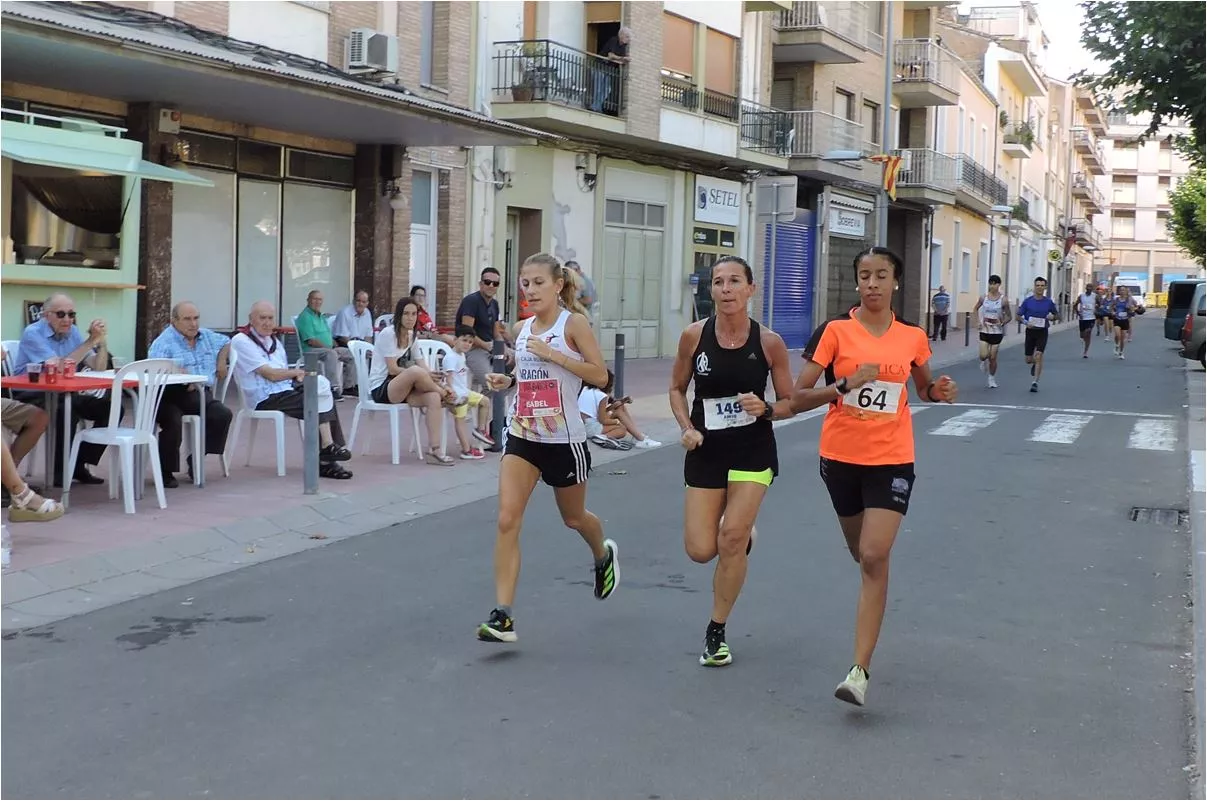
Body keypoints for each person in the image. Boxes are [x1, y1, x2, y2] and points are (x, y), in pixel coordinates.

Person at [791, 246, 957, 706]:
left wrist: (938, 392)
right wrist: (843, 384)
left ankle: (858, 670)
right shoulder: (835, 333)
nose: (872, 284)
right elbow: (797, 395)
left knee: (874, 553)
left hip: (892, 457)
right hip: (840, 458)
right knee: (861, 554)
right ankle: (872, 583)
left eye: (881, 275)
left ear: (895, 281)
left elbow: (922, 387)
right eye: (865, 276)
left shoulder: (911, 337)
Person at [476, 253, 617, 644]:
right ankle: (503, 615)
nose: (531, 290)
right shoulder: (522, 328)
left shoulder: (574, 324)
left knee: (573, 519)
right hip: (524, 434)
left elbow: (601, 375)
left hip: (563, 440)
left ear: (557, 285)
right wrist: (508, 382)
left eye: (538, 282)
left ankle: (602, 552)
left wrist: (553, 353)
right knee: (507, 520)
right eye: (525, 283)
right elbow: (528, 373)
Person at [669, 255, 796, 667]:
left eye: (735, 281)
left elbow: (790, 402)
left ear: (750, 290)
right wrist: (686, 426)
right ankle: (741, 536)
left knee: (730, 540)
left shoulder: (769, 342)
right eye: (719, 282)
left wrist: (767, 408)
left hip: (751, 451)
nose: (726, 289)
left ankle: (716, 631)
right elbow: (675, 387)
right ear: (711, 291)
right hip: (706, 449)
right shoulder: (693, 336)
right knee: (701, 550)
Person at [231, 301, 353, 480]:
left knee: (321, 387)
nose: (267, 322)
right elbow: (270, 374)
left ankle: (327, 450)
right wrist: (295, 372)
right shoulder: (242, 340)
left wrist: (297, 376)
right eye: (262, 318)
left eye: (270, 318)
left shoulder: (275, 342)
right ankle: (326, 457)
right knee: (315, 399)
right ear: (251, 319)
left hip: (285, 389)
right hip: (264, 397)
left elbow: (282, 374)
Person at [14, 292, 118, 486]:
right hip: (31, 391)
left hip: (64, 391)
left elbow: (99, 367)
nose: (68, 319)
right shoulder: (33, 333)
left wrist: (100, 342)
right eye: (61, 314)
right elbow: (59, 368)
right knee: (66, 410)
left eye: (72, 314)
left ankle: (78, 463)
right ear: (46, 315)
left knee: (112, 409)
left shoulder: (74, 332)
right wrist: (89, 342)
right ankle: (61, 473)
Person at [148, 301, 234, 487]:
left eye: (196, 318)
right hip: (169, 393)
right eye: (187, 319)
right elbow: (154, 371)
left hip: (199, 392)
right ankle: (165, 472)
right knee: (173, 420)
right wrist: (179, 376)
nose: (193, 323)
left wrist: (221, 361)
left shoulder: (206, 336)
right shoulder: (164, 342)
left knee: (223, 414)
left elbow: (227, 341)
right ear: (174, 321)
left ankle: (196, 459)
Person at [369, 298, 456, 466]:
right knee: (416, 372)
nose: (410, 318)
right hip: (383, 387)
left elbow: (423, 365)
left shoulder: (412, 336)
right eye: (406, 314)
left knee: (432, 397)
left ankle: (434, 450)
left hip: (404, 386)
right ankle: (446, 394)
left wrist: (432, 375)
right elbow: (393, 369)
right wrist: (423, 375)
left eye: (414, 314)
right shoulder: (388, 334)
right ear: (399, 316)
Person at [457, 268, 506, 447]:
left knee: (515, 371)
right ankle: (481, 424)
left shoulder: (494, 304)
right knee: (493, 381)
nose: (491, 286)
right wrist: (487, 345)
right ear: (480, 283)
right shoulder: (471, 301)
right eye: (487, 282)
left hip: (490, 348)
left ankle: (480, 402)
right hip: (472, 349)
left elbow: (496, 332)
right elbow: (466, 332)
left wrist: (504, 348)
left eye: (495, 283)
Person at [440, 325, 489, 460]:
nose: (467, 344)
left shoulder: (461, 355)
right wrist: (452, 396)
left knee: (485, 401)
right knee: (460, 419)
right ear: (455, 340)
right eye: (464, 340)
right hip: (456, 394)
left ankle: (480, 430)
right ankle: (466, 450)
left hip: (464, 391)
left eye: (470, 342)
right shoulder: (450, 357)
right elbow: (448, 380)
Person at [296, 290, 355, 400]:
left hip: (327, 349)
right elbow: (311, 341)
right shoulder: (305, 316)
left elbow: (327, 334)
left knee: (352, 353)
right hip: (311, 350)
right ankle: (333, 388)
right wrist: (328, 347)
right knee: (331, 354)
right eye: (314, 299)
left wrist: (334, 343)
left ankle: (349, 387)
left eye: (320, 299)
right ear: (308, 300)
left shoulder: (320, 316)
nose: (317, 302)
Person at [580, 376, 660, 451]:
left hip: (584, 425)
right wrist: (617, 422)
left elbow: (597, 411)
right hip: (591, 428)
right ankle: (639, 439)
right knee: (622, 429)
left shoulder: (586, 389)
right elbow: (602, 420)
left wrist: (619, 403)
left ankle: (637, 435)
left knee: (621, 408)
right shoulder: (601, 395)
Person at [1016, 276, 1059, 393]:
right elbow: (1018, 316)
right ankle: (1034, 363)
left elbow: (1058, 316)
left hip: (1042, 332)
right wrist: (1025, 322)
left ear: (1045, 287)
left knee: (1039, 355)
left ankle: (1035, 382)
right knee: (1028, 360)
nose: (1039, 288)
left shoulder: (1048, 302)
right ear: (1034, 287)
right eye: (1037, 285)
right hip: (1030, 331)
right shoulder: (1028, 301)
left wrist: (1052, 317)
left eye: (1042, 285)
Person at [973, 275, 1011, 388]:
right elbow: (975, 308)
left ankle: (991, 378)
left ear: (999, 285)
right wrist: (977, 322)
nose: (992, 286)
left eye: (995, 284)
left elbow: (1009, 316)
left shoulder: (1003, 300)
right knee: (983, 355)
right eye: (990, 283)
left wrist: (1003, 322)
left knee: (993, 357)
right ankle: (983, 361)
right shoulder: (983, 297)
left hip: (997, 332)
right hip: (984, 330)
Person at [1110, 285, 1139, 359]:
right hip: (1117, 319)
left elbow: (1136, 306)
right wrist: (1112, 312)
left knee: (1123, 338)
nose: (1122, 291)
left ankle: (1121, 352)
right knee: (1117, 335)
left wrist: (1133, 309)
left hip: (1125, 320)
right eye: (1121, 290)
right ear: (1119, 291)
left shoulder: (1129, 300)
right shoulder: (1116, 299)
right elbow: (1111, 307)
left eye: (1123, 290)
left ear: (1126, 291)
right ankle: (1116, 345)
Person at [1076, 282, 1099, 358]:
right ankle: (1083, 337)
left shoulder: (1095, 296)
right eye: (1088, 287)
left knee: (1088, 333)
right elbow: (1075, 305)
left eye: (1090, 287)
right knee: (1082, 335)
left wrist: (1097, 309)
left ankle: (1085, 352)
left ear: (1092, 289)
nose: (1089, 289)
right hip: (1083, 318)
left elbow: (1100, 304)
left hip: (1091, 318)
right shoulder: (1081, 296)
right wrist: (1078, 313)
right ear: (1085, 288)